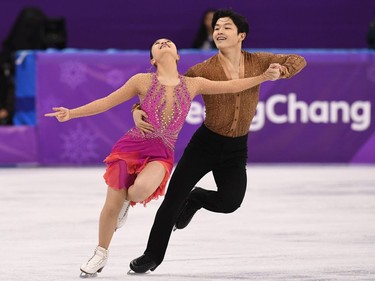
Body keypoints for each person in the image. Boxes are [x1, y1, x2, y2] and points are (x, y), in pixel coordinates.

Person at [45, 38, 281, 277]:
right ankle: (100, 254)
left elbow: (232, 87)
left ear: (178, 56)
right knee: (110, 206)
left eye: (169, 42)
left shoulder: (193, 84)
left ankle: (127, 202)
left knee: (139, 191)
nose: (165, 43)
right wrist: (72, 113)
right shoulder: (142, 81)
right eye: (158, 44)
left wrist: (262, 77)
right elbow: (107, 101)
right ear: (152, 59)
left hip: (161, 152)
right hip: (131, 147)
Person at [129, 9, 307, 273]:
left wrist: (282, 69)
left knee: (230, 202)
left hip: (236, 148)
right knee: (173, 199)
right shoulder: (204, 70)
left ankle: (197, 199)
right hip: (206, 144)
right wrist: (136, 109)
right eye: (216, 28)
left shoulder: (260, 62)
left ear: (241, 35)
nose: (219, 32)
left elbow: (299, 59)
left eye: (226, 27)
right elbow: (166, 88)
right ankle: (152, 255)